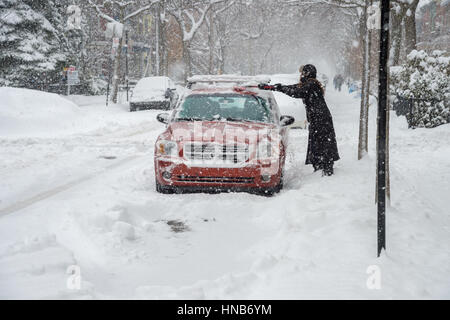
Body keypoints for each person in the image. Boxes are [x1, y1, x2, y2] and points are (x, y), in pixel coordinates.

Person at [259, 64, 340, 176]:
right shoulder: (311, 84)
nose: (301, 75)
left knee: (322, 143)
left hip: (320, 119)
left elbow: (296, 91)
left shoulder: (311, 84)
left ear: (307, 73)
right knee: (320, 143)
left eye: (302, 72)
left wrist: (279, 88)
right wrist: (276, 87)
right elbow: (295, 87)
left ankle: (325, 168)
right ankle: (322, 167)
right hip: (320, 118)